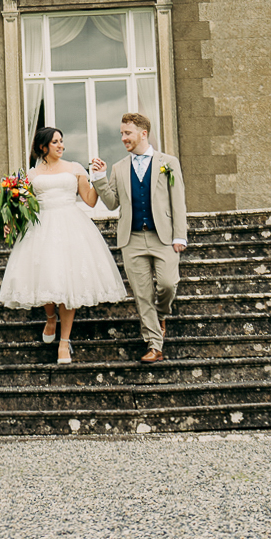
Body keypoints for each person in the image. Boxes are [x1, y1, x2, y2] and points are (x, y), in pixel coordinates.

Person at [0, 126, 127, 365]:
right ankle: (50, 317)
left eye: (62, 141)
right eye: (55, 142)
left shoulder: (75, 168)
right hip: (41, 227)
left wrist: (98, 178)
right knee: (45, 276)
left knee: (68, 282)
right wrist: (10, 222)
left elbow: (88, 200)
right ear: (43, 147)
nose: (61, 145)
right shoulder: (31, 175)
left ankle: (64, 342)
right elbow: (23, 206)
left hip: (71, 225)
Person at [89, 112, 188, 364]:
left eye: (127, 133)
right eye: (122, 133)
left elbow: (178, 201)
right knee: (142, 295)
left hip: (163, 237)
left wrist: (180, 236)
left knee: (167, 284)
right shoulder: (119, 168)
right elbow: (111, 204)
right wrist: (99, 179)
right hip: (131, 239)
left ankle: (162, 314)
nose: (123, 138)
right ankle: (155, 345)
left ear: (143, 133)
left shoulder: (168, 162)